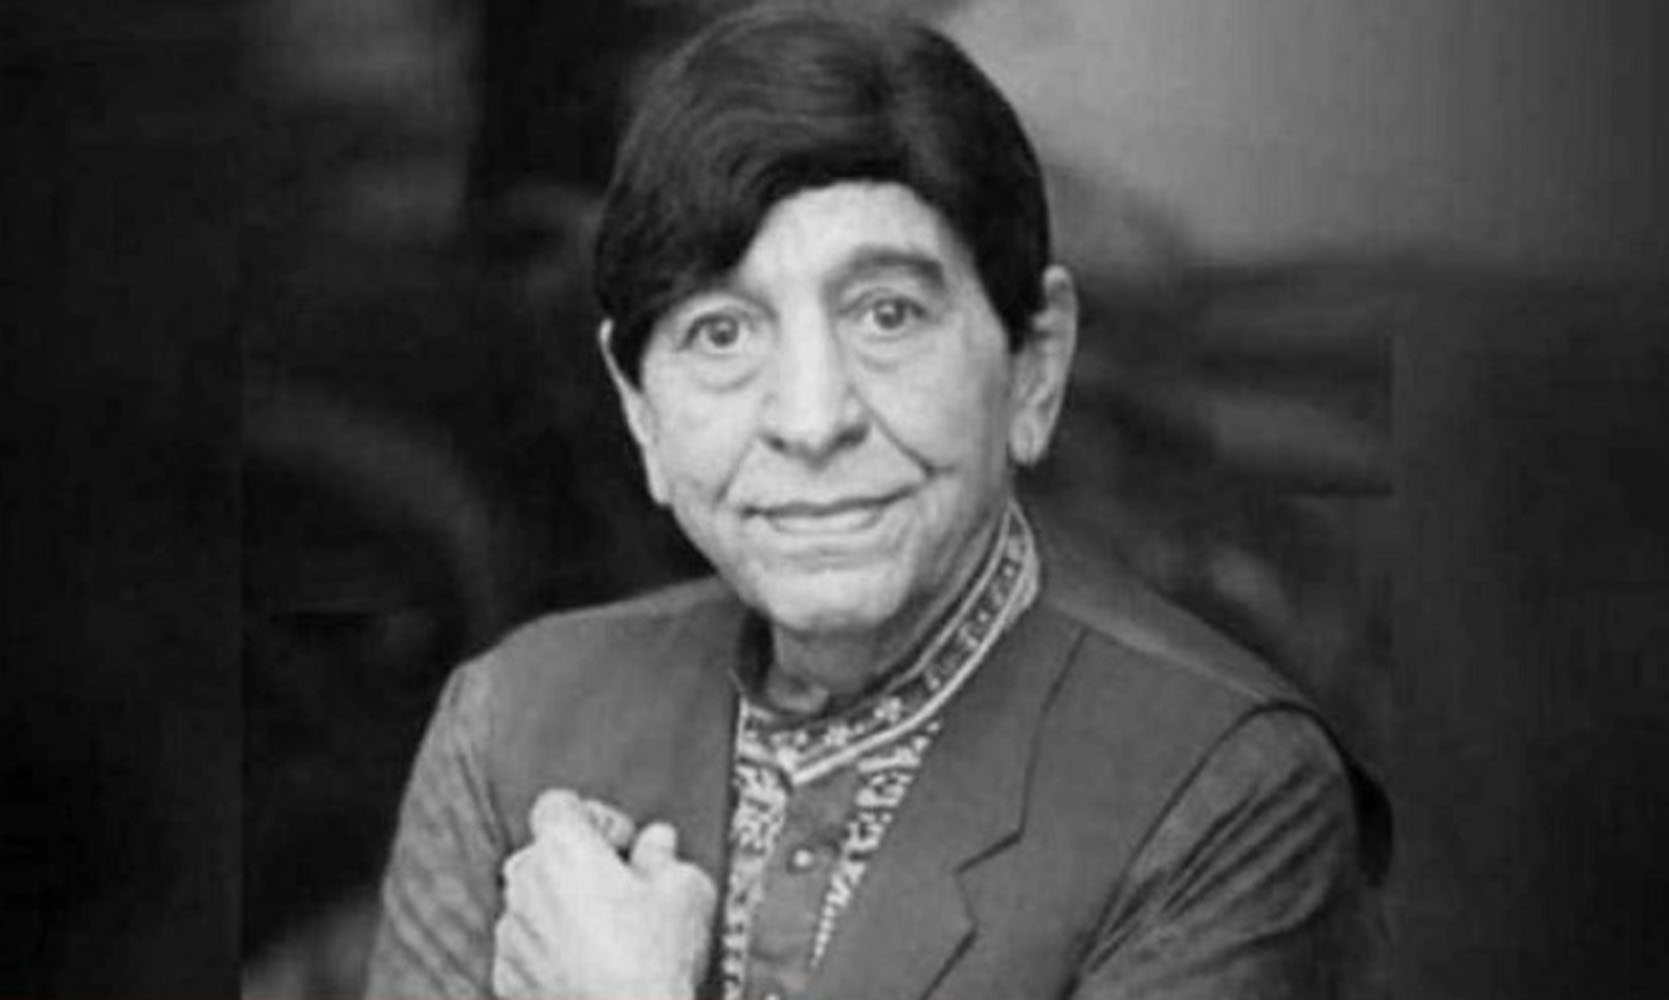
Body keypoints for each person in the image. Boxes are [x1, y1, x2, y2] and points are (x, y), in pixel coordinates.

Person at [363, 3, 1389, 998]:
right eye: (720, 333)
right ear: (640, 412)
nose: (812, 421)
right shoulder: (512, 724)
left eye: (887, 315)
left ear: (1035, 366)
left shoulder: (1222, 790)